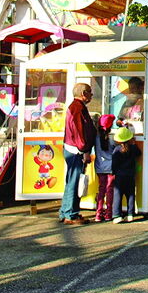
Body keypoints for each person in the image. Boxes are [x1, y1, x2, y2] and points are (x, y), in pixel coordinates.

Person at [59, 82, 96, 225]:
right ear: (83, 94)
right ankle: (70, 214)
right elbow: (79, 133)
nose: (91, 95)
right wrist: (85, 151)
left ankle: (66, 211)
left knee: (71, 181)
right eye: (90, 92)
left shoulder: (77, 107)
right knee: (74, 182)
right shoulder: (77, 109)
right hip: (76, 151)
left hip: (72, 148)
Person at [111, 126, 140, 223]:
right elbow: (139, 153)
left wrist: (113, 172)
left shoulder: (117, 150)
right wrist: (134, 143)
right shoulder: (133, 148)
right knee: (130, 195)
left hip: (119, 176)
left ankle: (117, 215)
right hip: (130, 175)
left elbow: (114, 164)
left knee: (118, 195)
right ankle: (130, 214)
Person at [93, 114, 116, 222]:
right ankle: (109, 213)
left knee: (101, 190)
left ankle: (98, 213)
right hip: (111, 167)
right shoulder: (113, 138)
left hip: (99, 166)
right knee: (109, 190)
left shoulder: (96, 138)